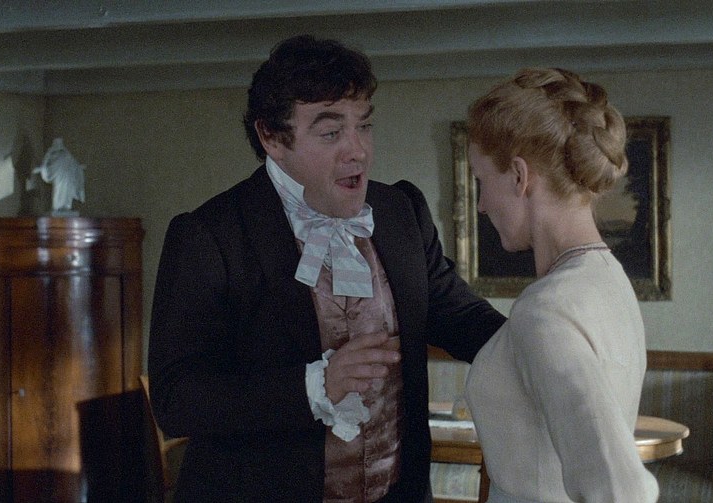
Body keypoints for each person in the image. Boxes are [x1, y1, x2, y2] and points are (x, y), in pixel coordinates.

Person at [147, 34, 506, 502]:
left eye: (364, 126)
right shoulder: (209, 235)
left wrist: (539, 344)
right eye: (331, 132)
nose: (357, 150)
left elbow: (457, 314)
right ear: (271, 138)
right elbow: (176, 400)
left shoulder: (400, 211)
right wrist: (314, 386)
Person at [462, 67, 659, 502]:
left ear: (519, 176)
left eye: (481, 181)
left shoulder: (546, 309)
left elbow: (620, 489)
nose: (481, 204)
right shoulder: (609, 280)